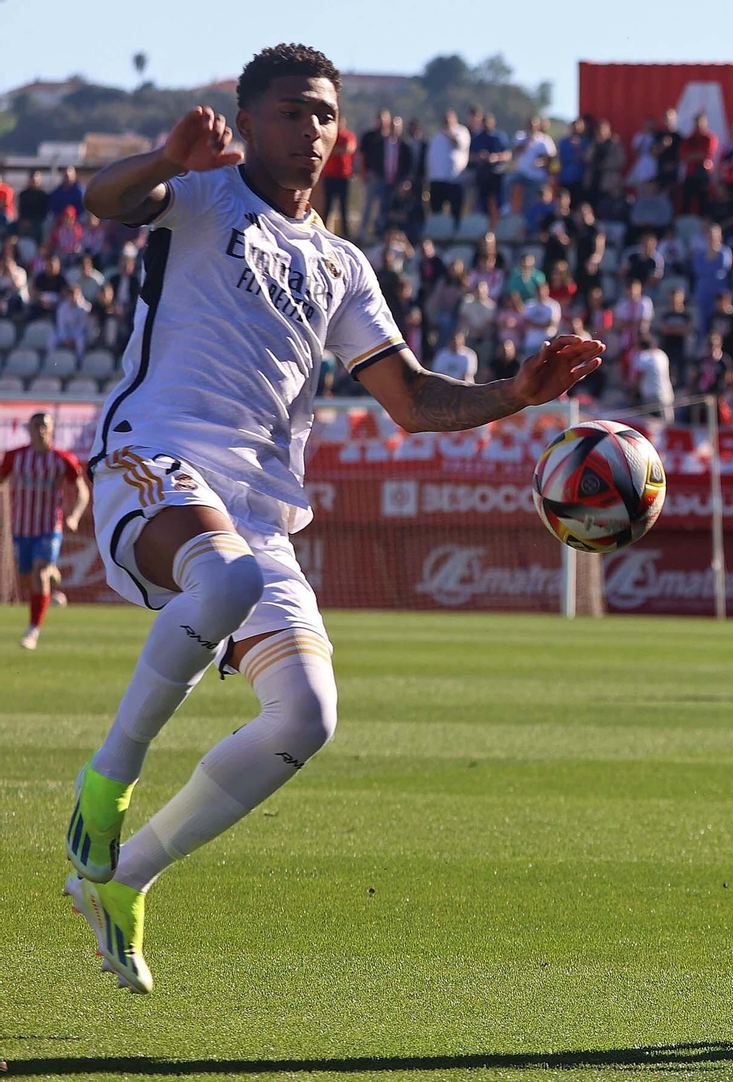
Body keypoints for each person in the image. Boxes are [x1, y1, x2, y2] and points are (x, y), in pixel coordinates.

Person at [66, 44, 605, 996]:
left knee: (306, 718)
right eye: (289, 111)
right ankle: (105, 785)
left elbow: (410, 398)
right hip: (153, 453)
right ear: (248, 119)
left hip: (260, 509)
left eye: (323, 113)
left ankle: (126, 875)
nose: (309, 129)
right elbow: (102, 202)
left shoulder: (343, 264)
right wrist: (162, 157)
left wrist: (515, 392)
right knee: (223, 580)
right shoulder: (202, 193)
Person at [2, 412, 89, 650]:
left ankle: (32, 631)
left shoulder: (62, 459)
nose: (40, 430)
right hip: (21, 529)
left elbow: (82, 491)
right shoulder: (14, 457)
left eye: (44, 426)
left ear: (51, 430)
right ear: (28, 430)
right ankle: (50, 569)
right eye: (35, 426)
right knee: (28, 575)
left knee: (38, 574)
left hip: (49, 528)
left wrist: (74, 516)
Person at [426, 110, 470, 227]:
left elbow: (458, 144)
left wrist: (449, 133)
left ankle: (455, 232)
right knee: (436, 209)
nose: (446, 122)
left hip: (454, 179)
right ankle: (438, 231)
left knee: (455, 210)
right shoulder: (437, 135)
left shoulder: (461, 131)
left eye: (449, 119)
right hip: (437, 179)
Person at [469, 113, 512, 227]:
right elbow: (470, 156)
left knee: (500, 203)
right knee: (482, 204)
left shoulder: (500, 136)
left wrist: (496, 157)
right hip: (483, 174)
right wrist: (479, 156)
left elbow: (508, 154)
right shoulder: (477, 137)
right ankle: (483, 226)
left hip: (498, 173)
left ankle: (501, 226)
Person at [319, 122, 356, 235]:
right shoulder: (331, 136)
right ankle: (324, 231)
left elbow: (349, 148)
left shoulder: (348, 136)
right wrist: (338, 150)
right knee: (327, 207)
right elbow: (327, 150)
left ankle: (345, 233)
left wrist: (336, 150)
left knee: (343, 207)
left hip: (343, 177)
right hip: (330, 176)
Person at [633, 332, 673, 419]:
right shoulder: (662, 354)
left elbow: (637, 377)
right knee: (668, 423)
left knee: (651, 426)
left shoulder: (642, 357)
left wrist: (632, 392)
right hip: (667, 393)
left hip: (650, 396)